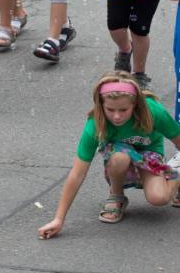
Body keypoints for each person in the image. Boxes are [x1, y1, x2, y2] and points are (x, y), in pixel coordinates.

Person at [37, 72, 180, 238]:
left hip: (148, 152)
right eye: (110, 109)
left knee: (158, 198)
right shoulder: (95, 124)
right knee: (119, 157)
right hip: (118, 153)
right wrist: (58, 219)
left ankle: (176, 174)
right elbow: (77, 174)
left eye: (123, 110)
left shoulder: (152, 111)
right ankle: (117, 196)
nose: (117, 116)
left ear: (135, 105)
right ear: (101, 104)